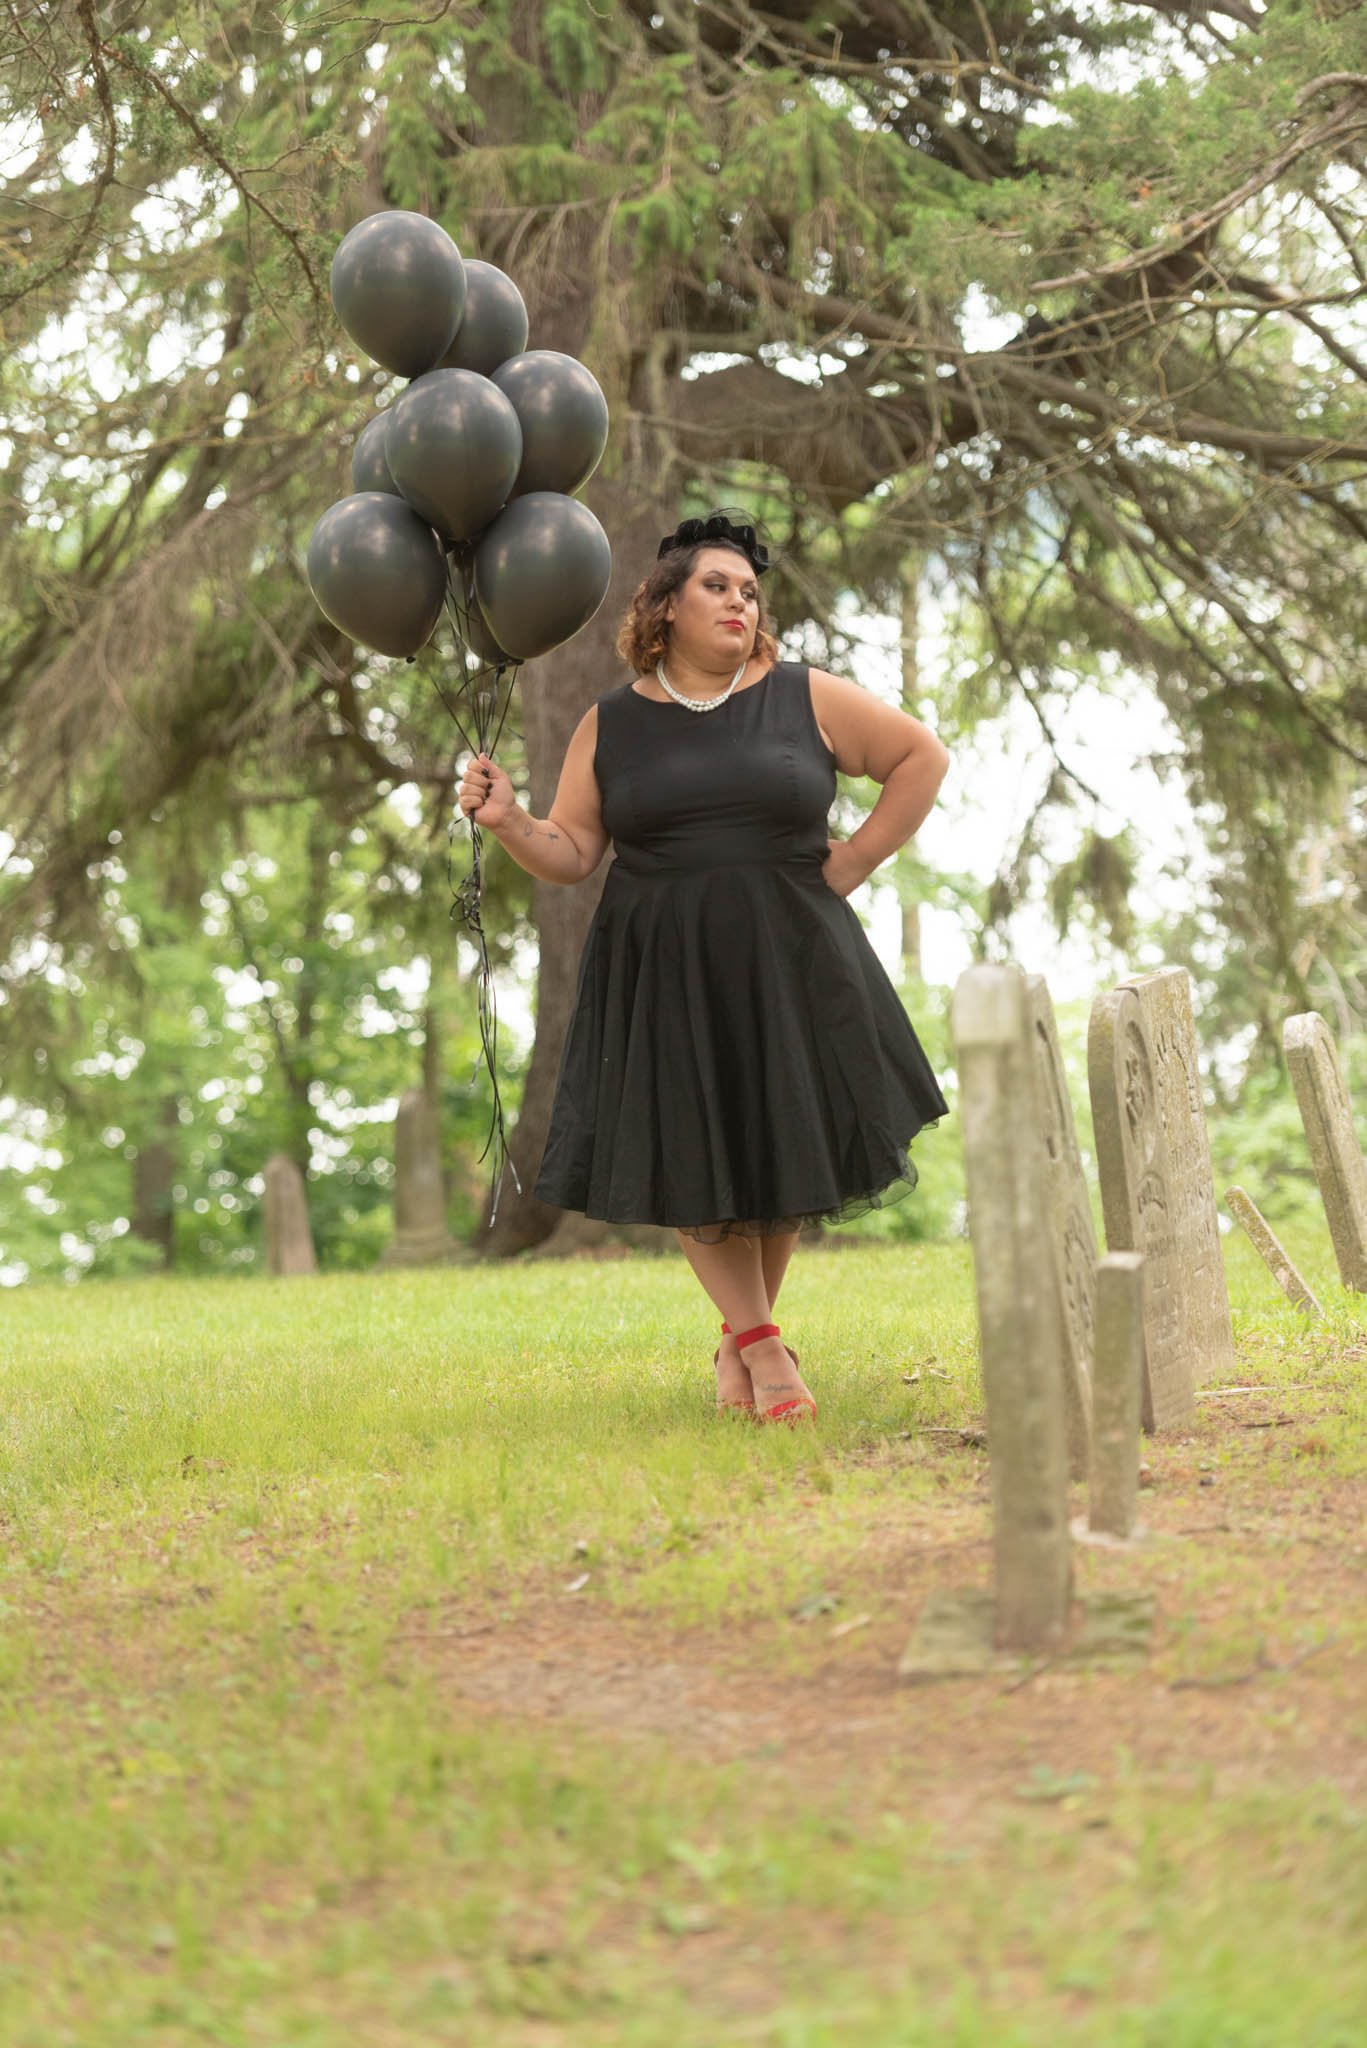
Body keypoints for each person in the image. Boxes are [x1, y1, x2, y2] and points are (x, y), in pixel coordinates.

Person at [458, 511, 951, 1422]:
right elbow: (569, 852)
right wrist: (506, 822)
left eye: (749, 591)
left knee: (778, 1143)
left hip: (789, 950)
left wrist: (852, 862)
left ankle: (740, 1340)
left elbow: (919, 757)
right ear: (663, 607)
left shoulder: (803, 694)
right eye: (715, 586)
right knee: (695, 1144)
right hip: (663, 960)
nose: (738, 601)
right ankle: (766, 1354)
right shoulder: (609, 726)